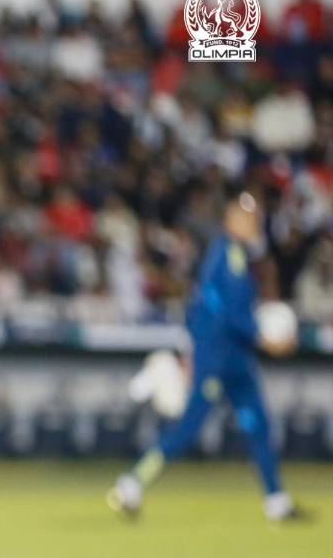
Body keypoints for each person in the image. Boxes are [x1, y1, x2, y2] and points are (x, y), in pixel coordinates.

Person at [108, 193, 304, 522]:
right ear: (230, 219)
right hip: (217, 358)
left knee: (258, 426)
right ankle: (131, 483)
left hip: (236, 359)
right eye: (244, 215)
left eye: (253, 215)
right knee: (188, 427)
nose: (251, 221)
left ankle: (276, 500)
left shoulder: (237, 256)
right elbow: (221, 312)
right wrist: (264, 339)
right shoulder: (225, 254)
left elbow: (219, 309)